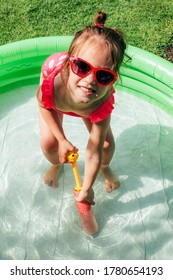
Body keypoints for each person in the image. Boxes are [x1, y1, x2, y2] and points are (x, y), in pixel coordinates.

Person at [36, 11, 126, 205]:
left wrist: (87, 188)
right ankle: (55, 165)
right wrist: (61, 139)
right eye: (82, 67)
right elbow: (44, 106)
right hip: (58, 103)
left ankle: (105, 168)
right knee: (50, 144)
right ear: (69, 64)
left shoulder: (101, 99)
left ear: (111, 81)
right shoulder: (54, 85)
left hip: (91, 108)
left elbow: (93, 152)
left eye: (103, 76)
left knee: (106, 145)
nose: (90, 80)